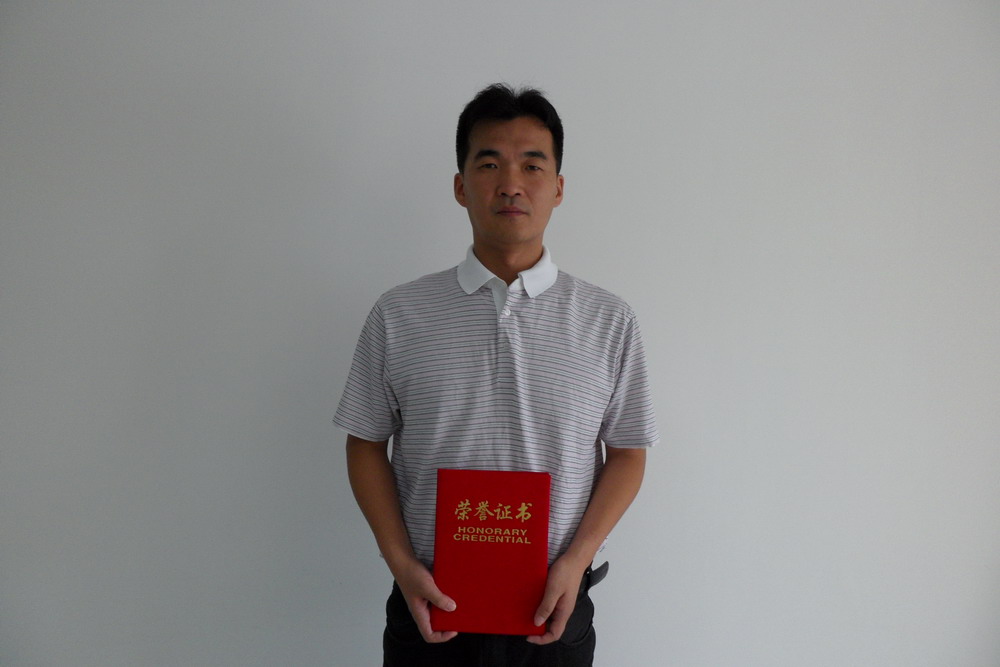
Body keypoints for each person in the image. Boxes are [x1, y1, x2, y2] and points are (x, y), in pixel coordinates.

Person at [335, 83, 659, 666]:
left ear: (558, 187)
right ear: (461, 186)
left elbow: (628, 454)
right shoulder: (399, 313)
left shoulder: (608, 319)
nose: (511, 183)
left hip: (553, 611)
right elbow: (365, 443)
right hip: (429, 606)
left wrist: (576, 561)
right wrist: (401, 564)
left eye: (532, 165)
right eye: (489, 164)